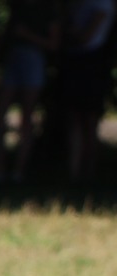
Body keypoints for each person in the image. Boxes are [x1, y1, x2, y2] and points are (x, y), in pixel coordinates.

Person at [0, 0, 61, 182]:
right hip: (13, 58)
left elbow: (53, 43)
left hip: (33, 60)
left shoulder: (47, 10)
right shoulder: (18, 8)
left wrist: (27, 35)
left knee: (26, 117)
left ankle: (18, 170)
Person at [58, 0, 115, 181]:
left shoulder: (104, 4)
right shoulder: (79, 3)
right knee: (75, 120)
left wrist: (69, 32)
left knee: (89, 121)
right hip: (76, 62)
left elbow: (85, 37)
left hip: (92, 64)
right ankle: (73, 173)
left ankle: (88, 173)